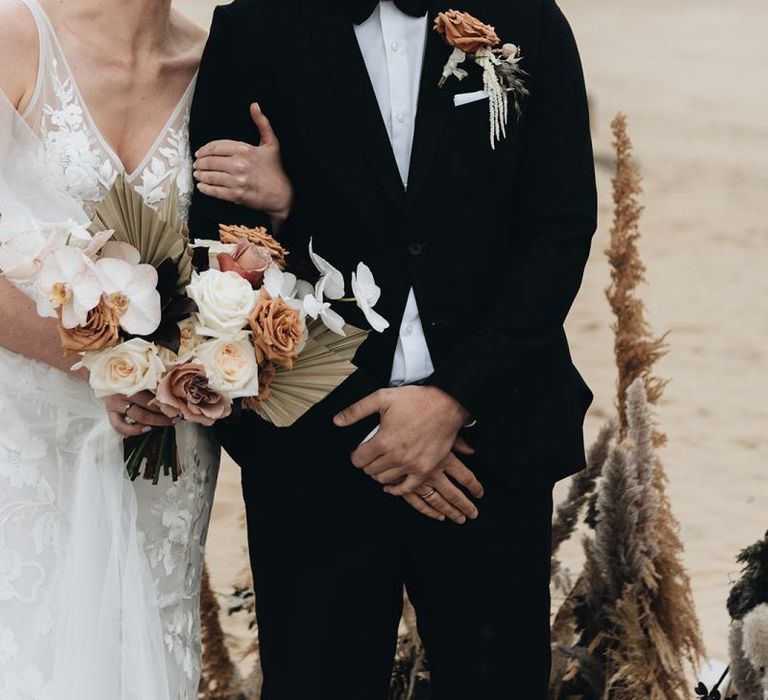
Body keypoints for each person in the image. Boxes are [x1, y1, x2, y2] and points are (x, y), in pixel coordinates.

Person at [189, 0, 596, 697]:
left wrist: (451, 400)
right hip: (317, 447)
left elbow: (557, 233)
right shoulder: (256, 27)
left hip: (487, 447)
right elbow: (224, 247)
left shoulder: (527, 20)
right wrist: (370, 423)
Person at [0, 0, 291, 696]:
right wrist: (100, 365)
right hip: (20, 432)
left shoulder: (222, 66)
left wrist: (281, 204)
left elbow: (253, 252)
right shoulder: (14, 37)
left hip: (163, 443)